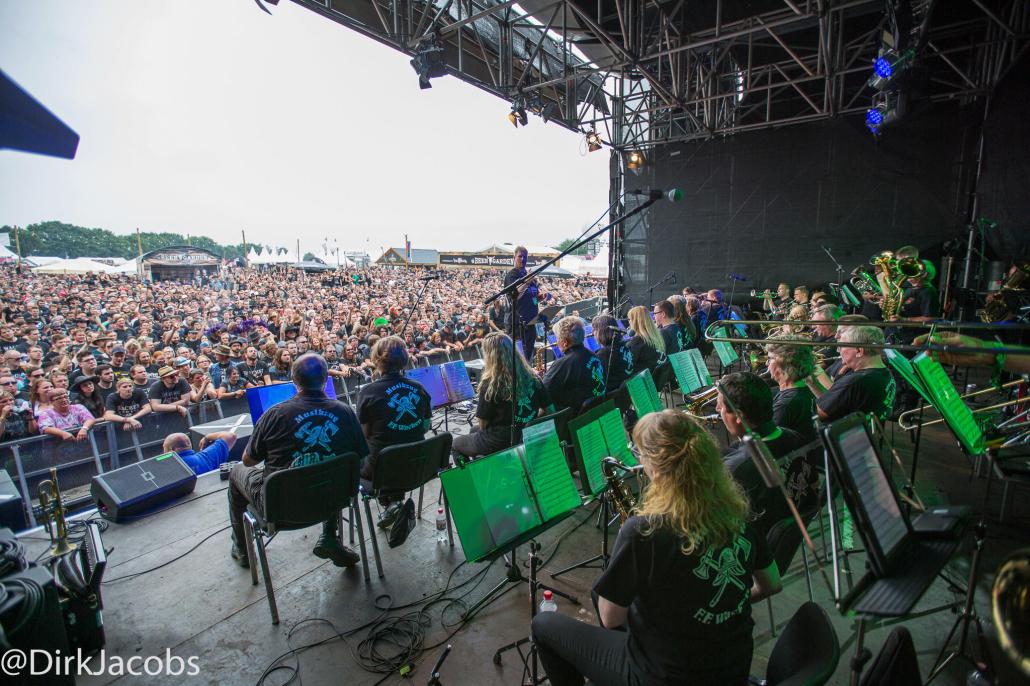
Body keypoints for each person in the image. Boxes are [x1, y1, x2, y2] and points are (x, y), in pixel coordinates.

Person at [532, 410, 781, 686]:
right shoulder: (737, 511)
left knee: (544, 626)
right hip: (732, 667)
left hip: (667, 675)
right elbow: (771, 584)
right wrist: (718, 612)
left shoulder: (645, 530)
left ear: (655, 468)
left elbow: (610, 617)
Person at [227, 353, 367, 569]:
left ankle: (242, 550)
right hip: (336, 496)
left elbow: (248, 461)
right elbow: (361, 457)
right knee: (329, 467)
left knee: (236, 471)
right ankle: (330, 535)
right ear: (325, 379)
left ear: (293, 380)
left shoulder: (273, 414)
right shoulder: (346, 412)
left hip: (282, 506)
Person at [716, 372, 815, 533]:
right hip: (792, 525)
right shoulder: (795, 436)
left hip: (756, 537)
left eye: (721, 406)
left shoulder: (736, 468)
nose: (717, 409)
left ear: (739, 416)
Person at [354, 336, 431, 528]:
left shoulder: (368, 392)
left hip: (380, 470)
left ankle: (392, 503)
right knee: (397, 452)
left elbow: (363, 437)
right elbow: (425, 426)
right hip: (417, 464)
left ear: (377, 360)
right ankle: (394, 502)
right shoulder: (419, 388)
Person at [453, 332, 553, 460]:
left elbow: (483, 424)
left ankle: (478, 475)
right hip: (526, 434)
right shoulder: (533, 377)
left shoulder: (491, 384)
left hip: (502, 440)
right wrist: (529, 421)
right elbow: (549, 409)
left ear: (490, 356)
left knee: (456, 444)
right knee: (473, 430)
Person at [810, 325, 896, 422]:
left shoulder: (854, 382)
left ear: (859, 351)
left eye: (841, 347)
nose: (839, 351)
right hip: (866, 434)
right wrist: (812, 383)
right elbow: (832, 402)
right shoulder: (884, 372)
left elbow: (819, 413)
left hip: (842, 435)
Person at [543, 316, 605, 414]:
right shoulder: (594, 355)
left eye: (557, 338)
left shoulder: (563, 363)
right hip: (595, 411)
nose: (556, 342)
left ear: (565, 342)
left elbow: (544, 392)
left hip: (575, 418)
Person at [765, 339, 818, 442]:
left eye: (769, 359)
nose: (767, 363)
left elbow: (766, 446)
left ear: (783, 363)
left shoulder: (785, 405)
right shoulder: (808, 390)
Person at [503, 246, 546, 361]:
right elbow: (515, 296)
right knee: (518, 358)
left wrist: (539, 298)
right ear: (514, 257)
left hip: (531, 322)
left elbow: (533, 298)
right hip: (517, 324)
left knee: (528, 357)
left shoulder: (529, 276)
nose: (522, 259)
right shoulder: (512, 275)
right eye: (520, 256)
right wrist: (527, 281)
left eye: (525, 257)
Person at [163, 430, 238, 475]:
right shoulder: (207, 456)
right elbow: (231, 436)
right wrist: (207, 437)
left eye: (164, 448)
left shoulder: (165, 469)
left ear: (172, 449)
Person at [592, 315, 633, 390]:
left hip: (612, 396)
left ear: (602, 332)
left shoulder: (604, 354)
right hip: (625, 393)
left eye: (595, 329)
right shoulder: (624, 345)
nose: (593, 333)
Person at [625, 305, 666, 377]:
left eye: (629, 319)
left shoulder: (638, 341)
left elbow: (627, 366)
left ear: (635, 321)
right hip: (653, 380)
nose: (629, 322)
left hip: (640, 382)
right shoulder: (656, 336)